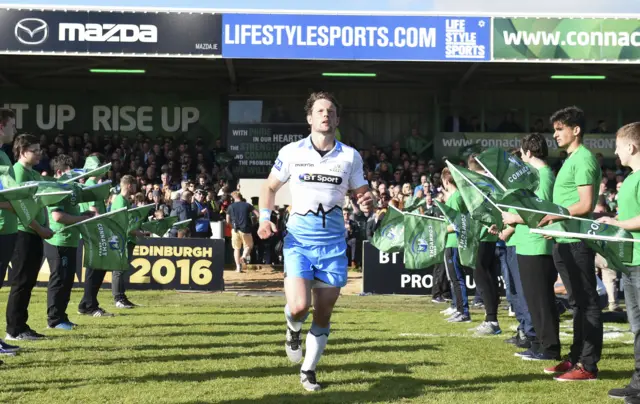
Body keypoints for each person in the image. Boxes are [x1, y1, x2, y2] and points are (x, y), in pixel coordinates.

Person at [257, 91, 373, 392]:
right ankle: (292, 329)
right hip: (299, 242)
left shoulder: (350, 156)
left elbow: (361, 195)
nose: (325, 115)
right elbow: (268, 188)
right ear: (310, 118)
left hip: (333, 245)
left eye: (331, 111)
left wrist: (367, 201)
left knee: (323, 313)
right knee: (298, 307)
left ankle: (309, 370)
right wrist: (265, 218)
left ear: (337, 119)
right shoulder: (291, 152)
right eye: (320, 110)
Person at [538, 106, 602, 381]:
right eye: (554, 129)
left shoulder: (584, 158)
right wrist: (556, 225)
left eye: (560, 129)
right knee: (576, 303)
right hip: (564, 239)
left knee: (587, 304)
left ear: (576, 130)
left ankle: (588, 366)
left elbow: (585, 204)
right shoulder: (570, 159)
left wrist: (555, 215)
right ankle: (576, 358)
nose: (555, 135)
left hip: (578, 242)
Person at [502, 133, 560, 361]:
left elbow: (542, 213)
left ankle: (550, 349)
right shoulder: (535, 175)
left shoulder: (544, 175)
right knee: (533, 300)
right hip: (527, 244)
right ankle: (539, 345)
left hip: (537, 246)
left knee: (541, 300)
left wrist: (514, 218)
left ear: (527, 152)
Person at [596, 123, 640, 401]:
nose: (615, 151)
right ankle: (638, 381)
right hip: (630, 262)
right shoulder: (632, 178)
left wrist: (616, 222)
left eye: (618, 146)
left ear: (632, 147)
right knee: (636, 326)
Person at [6, 134, 54, 341]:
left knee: (28, 282)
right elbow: (19, 207)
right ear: (23, 151)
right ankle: (14, 330)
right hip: (23, 233)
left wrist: (45, 226)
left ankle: (22, 325)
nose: (39, 154)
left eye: (39, 150)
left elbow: (41, 200)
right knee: (21, 282)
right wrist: (40, 228)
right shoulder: (16, 172)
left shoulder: (34, 173)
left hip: (35, 233)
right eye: (35, 150)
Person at [44, 154, 95, 330]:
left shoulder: (70, 188)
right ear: (59, 172)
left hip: (71, 241)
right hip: (59, 241)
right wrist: (80, 218)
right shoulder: (54, 188)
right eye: (69, 171)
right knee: (58, 281)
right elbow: (57, 216)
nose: (73, 175)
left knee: (67, 281)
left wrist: (85, 215)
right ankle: (54, 320)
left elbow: (71, 213)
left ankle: (62, 317)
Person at [77, 154, 114, 318]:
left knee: (97, 268)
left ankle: (87, 303)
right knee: (95, 269)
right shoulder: (91, 185)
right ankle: (90, 305)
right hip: (95, 231)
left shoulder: (91, 184)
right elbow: (94, 210)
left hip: (95, 230)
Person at [0, 109, 21, 355]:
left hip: (7, 228)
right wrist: (19, 203)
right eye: (12, 126)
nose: (14, 131)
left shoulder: (4, 156)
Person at [440, 168, 471, 323]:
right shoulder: (454, 197)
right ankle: (458, 308)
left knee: (457, 278)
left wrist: (440, 230)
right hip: (451, 242)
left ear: (446, 181)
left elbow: (459, 223)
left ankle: (463, 311)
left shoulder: (457, 198)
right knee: (454, 278)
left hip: (454, 242)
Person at [110, 175, 141, 309]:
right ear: (129, 185)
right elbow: (121, 224)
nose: (136, 188)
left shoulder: (125, 201)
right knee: (118, 269)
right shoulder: (120, 201)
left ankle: (122, 296)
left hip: (127, 239)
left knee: (122, 269)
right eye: (134, 185)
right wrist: (138, 232)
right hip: (122, 240)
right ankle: (118, 298)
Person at [226, 191, 258, 273]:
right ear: (241, 196)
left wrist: (231, 226)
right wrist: (254, 222)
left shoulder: (230, 207)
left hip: (235, 230)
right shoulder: (247, 205)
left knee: (236, 248)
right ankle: (243, 256)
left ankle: (238, 267)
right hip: (246, 229)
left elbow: (227, 220)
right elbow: (257, 214)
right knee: (248, 246)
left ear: (233, 198)